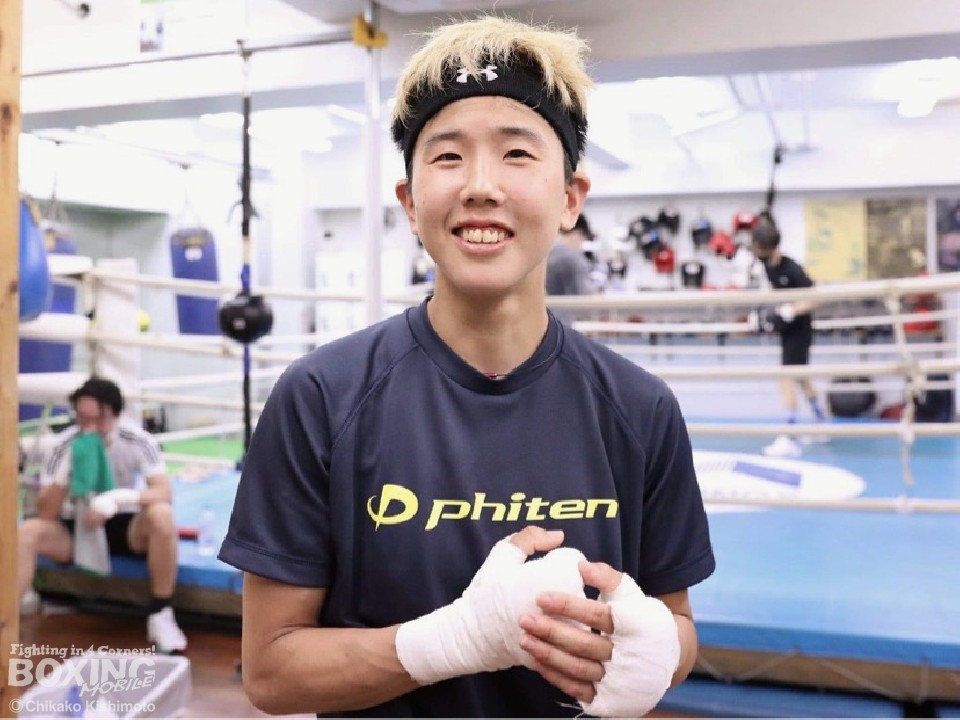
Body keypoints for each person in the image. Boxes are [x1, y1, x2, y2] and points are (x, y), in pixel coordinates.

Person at [219, 15, 715, 718]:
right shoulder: (321, 397)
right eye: (448, 156)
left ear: (570, 198)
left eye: (517, 153)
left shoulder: (639, 409)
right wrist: (451, 642)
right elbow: (271, 672)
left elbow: (677, 626)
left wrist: (652, 653)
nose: (481, 185)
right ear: (410, 203)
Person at [17, 377, 187, 654]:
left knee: (162, 515)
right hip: (76, 526)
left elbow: (164, 493)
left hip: (122, 526)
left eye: (100, 419)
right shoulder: (64, 445)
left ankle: (161, 613)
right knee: (27, 532)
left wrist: (118, 498)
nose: (91, 428)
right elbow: (46, 513)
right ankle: (6, 618)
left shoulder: (136, 440)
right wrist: (65, 472)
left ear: (116, 415)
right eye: (83, 419)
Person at [750, 215, 828, 457]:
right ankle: (821, 424)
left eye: (756, 246)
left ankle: (789, 437)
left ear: (766, 247)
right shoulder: (767, 266)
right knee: (802, 378)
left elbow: (816, 298)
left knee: (786, 379)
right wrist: (768, 309)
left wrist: (792, 309)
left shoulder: (791, 268)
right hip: (788, 329)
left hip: (800, 329)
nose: (754, 250)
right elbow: (777, 290)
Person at [546, 213, 595, 323]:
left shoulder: (544, 252)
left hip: (543, 318)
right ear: (578, 234)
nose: (581, 245)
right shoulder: (574, 258)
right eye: (583, 240)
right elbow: (586, 296)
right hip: (564, 320)